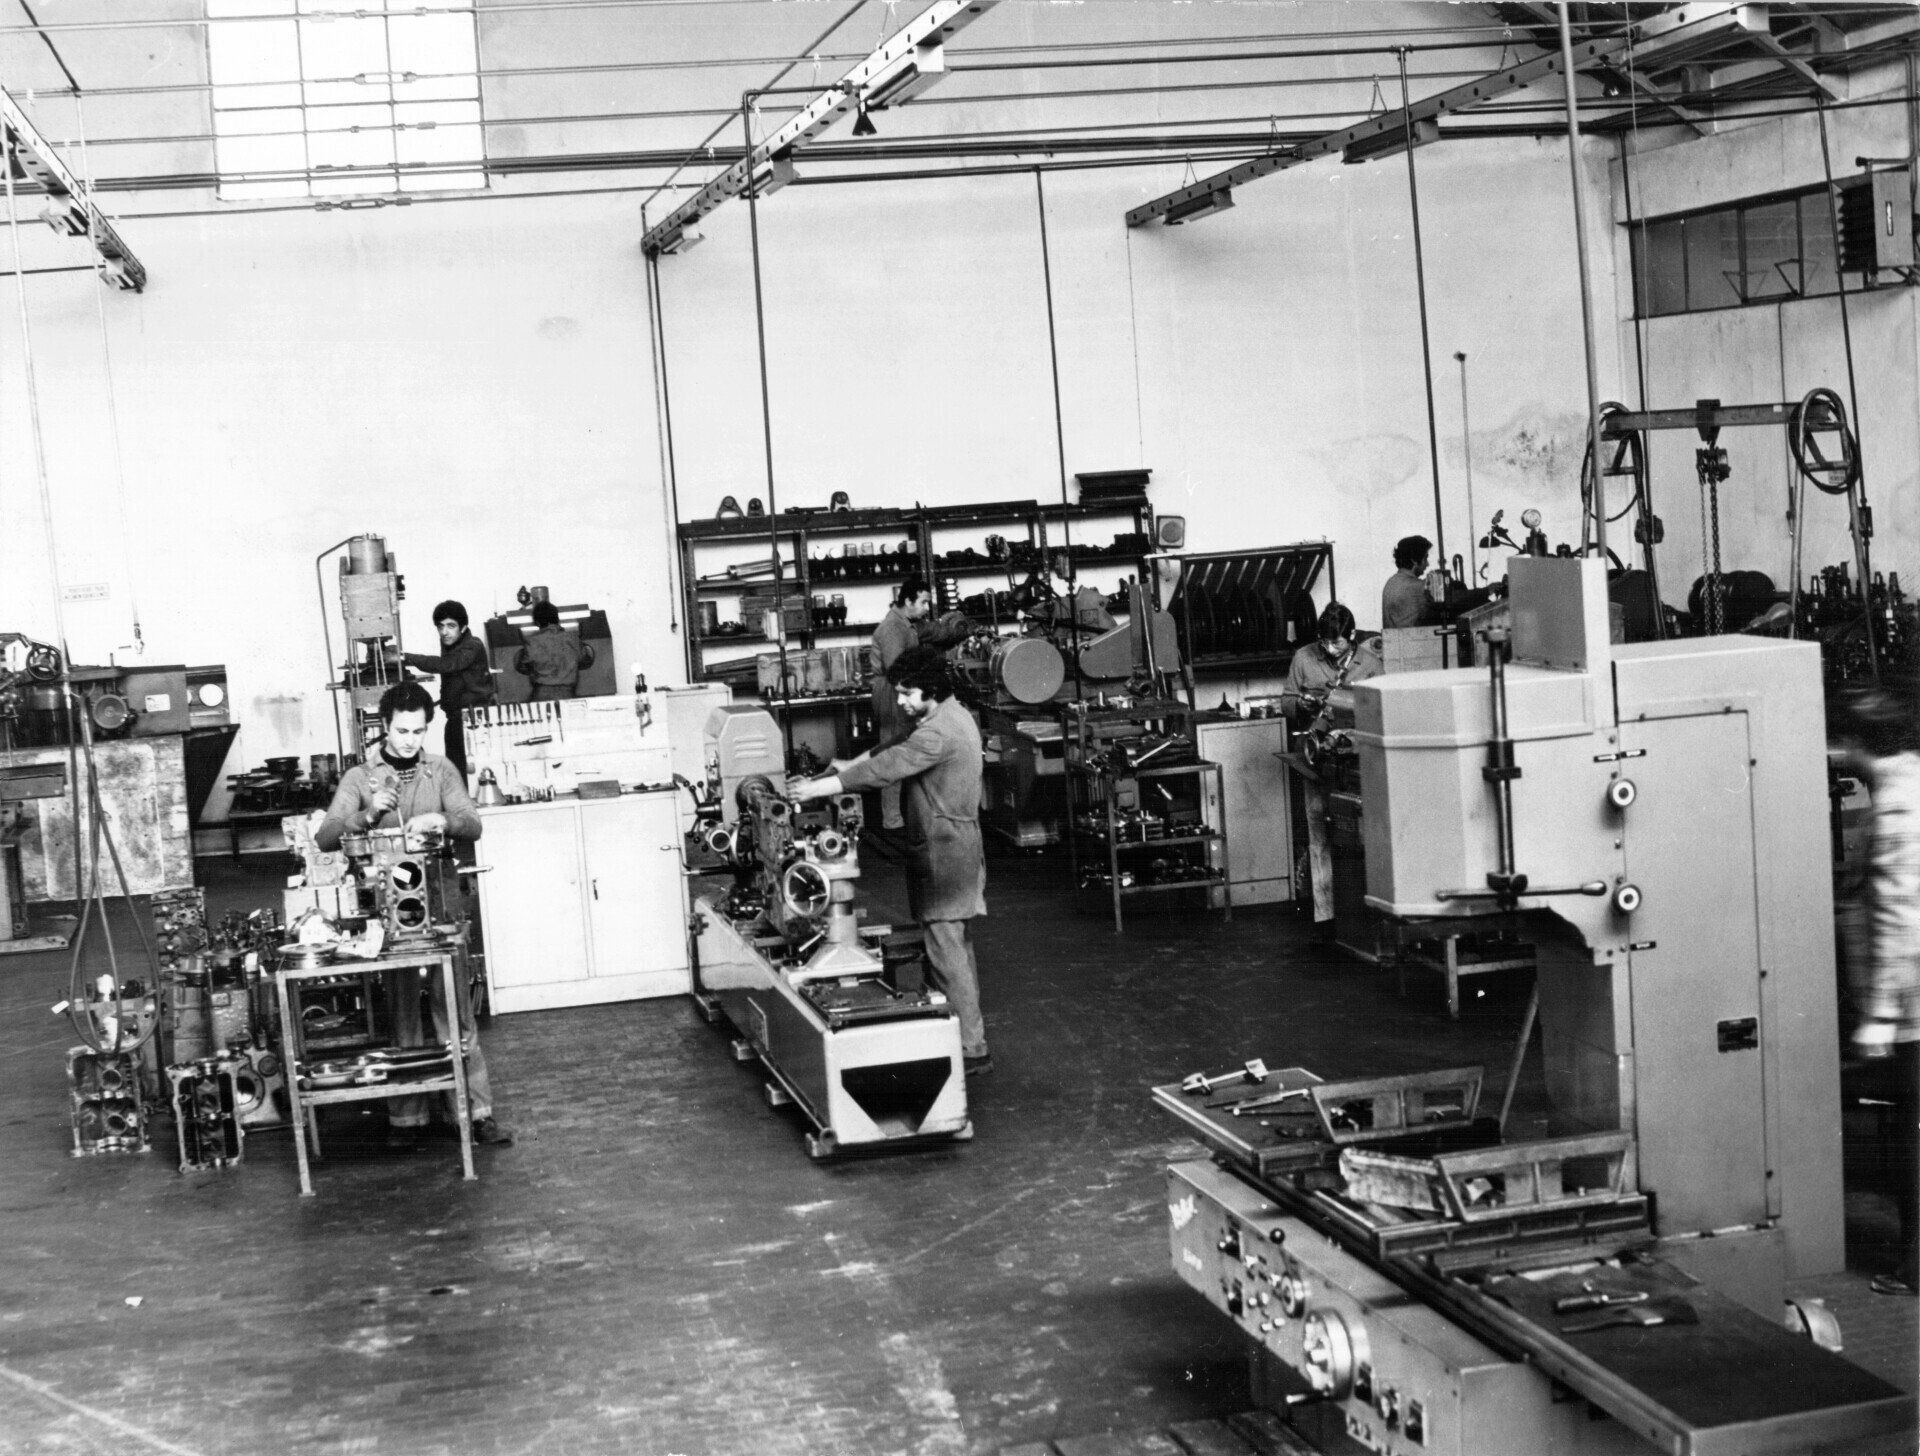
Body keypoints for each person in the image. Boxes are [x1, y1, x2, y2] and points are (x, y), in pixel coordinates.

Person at [316, 681, 512, 1148]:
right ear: (385, 726)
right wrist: (367, 815)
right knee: (403, 1013)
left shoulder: (440, 770)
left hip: (439, 906)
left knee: (454, 1011)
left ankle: (474, 1112)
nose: (409, 740)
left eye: (418, 731)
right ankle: (408, 1118)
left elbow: (473, 824)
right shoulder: (360, 778)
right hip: (389, 917)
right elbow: (325, 837)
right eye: (402, 731)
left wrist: (443, 820)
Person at [792, 645, 992, 1075]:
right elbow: (895, 746)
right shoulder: (949, 716)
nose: (899, 701)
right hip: (953, 844)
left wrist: (818, 789)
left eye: (906, 693)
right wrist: (846, 765)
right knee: (953, 946)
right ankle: (960, 1035)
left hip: (945, 851)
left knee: (946, 950)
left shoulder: (938, 734)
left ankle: (971, 1049)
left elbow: (889, 767)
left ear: (930, 689)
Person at [1832, 674, 1920, 1296]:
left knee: (1914, 1140)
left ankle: (1915, 1267)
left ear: (1859, 743)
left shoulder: (1895, 806)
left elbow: (1899, 914)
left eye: (1840, 741)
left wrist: (1881, 1015)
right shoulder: (1909, 782)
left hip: (1913, 1005)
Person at [400, 599, 495, 780]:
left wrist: (405, 657)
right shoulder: (451, 644)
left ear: (463, 627)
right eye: (440, 626)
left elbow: (447, 664)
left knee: (474, 777)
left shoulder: (473, 645)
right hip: (456, 719)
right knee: (455, 775)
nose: (444, 632)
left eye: (451, 626)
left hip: (474, 721)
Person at [869, 577, 936, 831]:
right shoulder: (893, 628)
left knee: (906, 749)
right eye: (923, 602)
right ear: (908, 601)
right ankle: (892, 820)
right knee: (893, 751)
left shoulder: (905, 624)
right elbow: (897, 669)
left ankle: (906, 816)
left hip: (902, 689)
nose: (927, 608)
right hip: (893, 691)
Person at [1279, 602, 1382, 729]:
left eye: (1336, 643)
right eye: (1324, 642)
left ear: (1352, 634)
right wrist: (1300, 705)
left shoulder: (1372, 665)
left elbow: (1383, 709)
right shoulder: (1303, 657)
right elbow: (1286, 703)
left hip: (1357, 736)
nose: (1330, 649)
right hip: (1314, 736)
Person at [515, 600, 595, 700]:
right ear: (557, 619)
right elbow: (585, 659)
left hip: (541, 693)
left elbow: (523, 664)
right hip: (567, 693)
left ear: (537, 622)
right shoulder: (573, 638)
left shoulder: (532, 641)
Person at [1383, 534, 1442, 629]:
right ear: (1414, 560)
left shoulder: (1390, 583)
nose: (1427, 564)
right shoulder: (1417, 587)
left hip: (1393, 637)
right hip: (1412, 638)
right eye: (1425, 558)